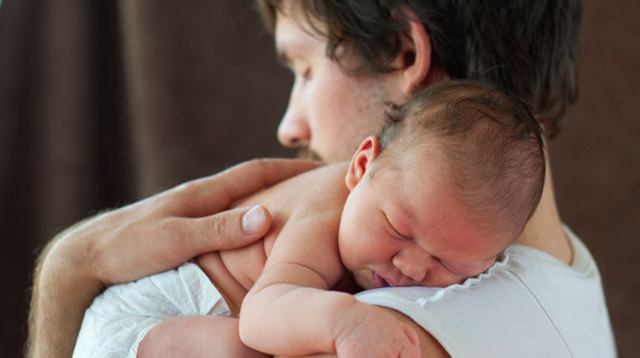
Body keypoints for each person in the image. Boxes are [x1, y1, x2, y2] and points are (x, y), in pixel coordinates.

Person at [28, 1, 616, 357]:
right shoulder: (568, 271)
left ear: (405, 54)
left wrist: (69, 272)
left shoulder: (410, 326)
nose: (290, 126)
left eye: (306, 69)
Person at [73, 80, 546, 358]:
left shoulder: (396, 209)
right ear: (362, 167)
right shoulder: (325, 214)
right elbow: (261, 314)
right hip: (139, 324)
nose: (412, 268)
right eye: (399, 230)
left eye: (454, 264)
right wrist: (344, 321)